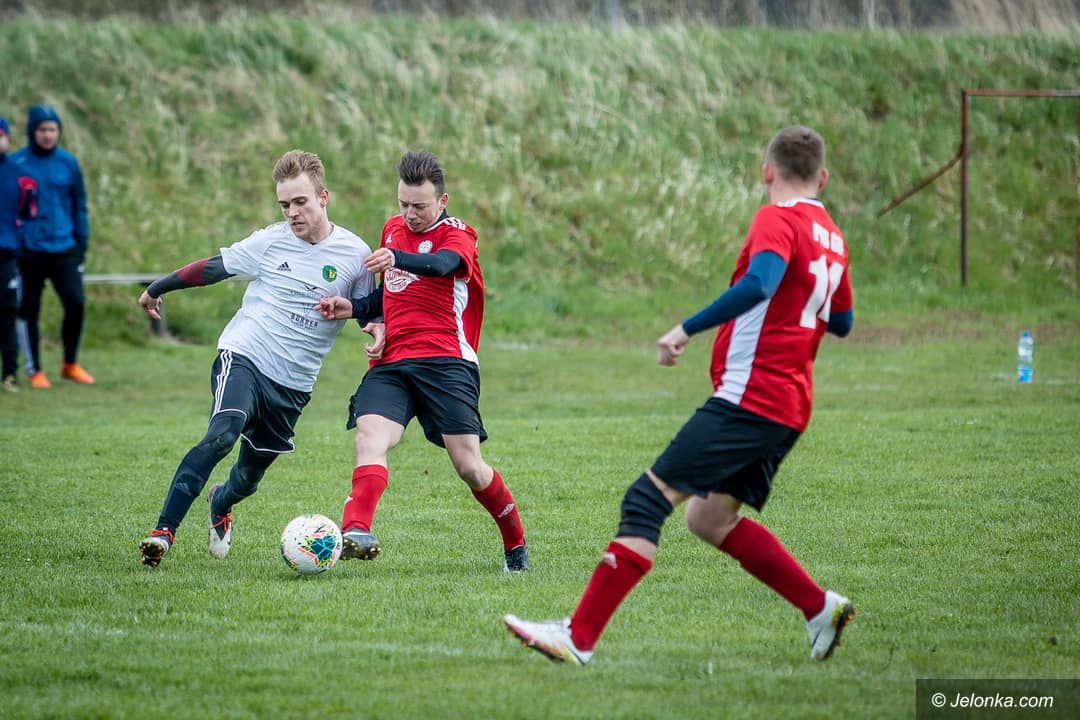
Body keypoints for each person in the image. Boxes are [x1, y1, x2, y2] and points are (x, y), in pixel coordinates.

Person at [503, 126, 856, 664]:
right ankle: (818, 607)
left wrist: (687, 328)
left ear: (767, 171)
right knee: (708, 519)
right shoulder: (832, 235)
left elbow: (761, 282)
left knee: (647, 498)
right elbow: (843, 321)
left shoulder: (777, 218)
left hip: (750, 398)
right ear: (823, 177)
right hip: (789, 405)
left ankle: (578, 637)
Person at [138, 149, 377, 568]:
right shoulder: (270, 241)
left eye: (300, 202)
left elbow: (366, 310)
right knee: (222, 434)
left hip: (293, 383)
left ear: (323, 197)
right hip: (246, 354)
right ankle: (163, 533)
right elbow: (214, 268)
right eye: (284, 204)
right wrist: (158, 287)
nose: (292, 212)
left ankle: (220, 502)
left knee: (248, 479)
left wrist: (374, 326)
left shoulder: (355, 254)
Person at [315, 149, 528, 572]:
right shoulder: (392, 229)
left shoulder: (457, 233)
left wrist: (398, 257)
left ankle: (515, 543)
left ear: (442, 201)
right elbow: (391, 294)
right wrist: (354, 308)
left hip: (447, 362)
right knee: (369, 438)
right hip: (392, 362)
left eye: (420, 206)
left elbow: (442, 264)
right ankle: (356, 530)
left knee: (469, 466)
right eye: (403, 204)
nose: (410, 215)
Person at [11, 105, 93, 388]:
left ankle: (70, 363)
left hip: (65, 246)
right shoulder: (16, 163)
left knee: (76, 303)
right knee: (28, 310)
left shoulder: (68, 163)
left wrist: (81, 242)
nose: (47, 135)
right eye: (42, 130)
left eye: (52, 129)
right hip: (29, 249)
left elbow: (79, 204)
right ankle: (34, 370)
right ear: (32, 131)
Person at [0, 115, 35, 392]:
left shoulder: (21, 177)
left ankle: (10, 374)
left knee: (7, 314)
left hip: (6, 254)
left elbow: (28, 213)